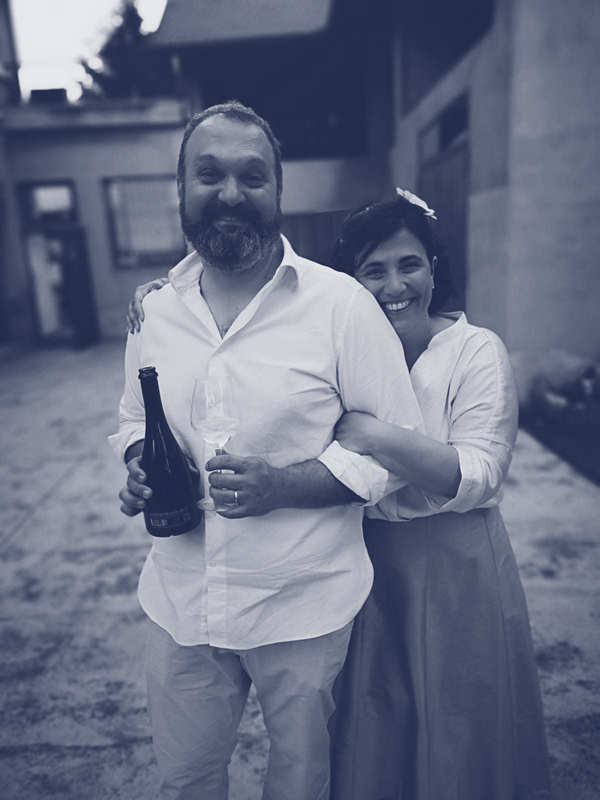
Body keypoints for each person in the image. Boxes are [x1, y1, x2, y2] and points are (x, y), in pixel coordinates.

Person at [129, 188, 552, 800]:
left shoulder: (474, 350)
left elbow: (482, 472)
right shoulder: (331, 335)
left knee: (455, 711)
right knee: (371, 718)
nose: (394, 286)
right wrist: (167, 293)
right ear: (350, 282)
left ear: (435, 268)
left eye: (410, 265)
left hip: (450, 560)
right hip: (363, 554)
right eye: (373, 271)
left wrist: (380, 435)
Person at [110, 100, 424, 800]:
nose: (230, 193)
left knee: (300, 782)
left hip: (302, 606)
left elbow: (396, 449)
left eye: (252, 176)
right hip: (182, 603)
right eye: (209, 175)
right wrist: (136, 462)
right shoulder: (153, 311)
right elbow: (133, 415)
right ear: (180, 187)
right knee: (186, 780)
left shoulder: (342, 307)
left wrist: (283, 486)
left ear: (279, 190)